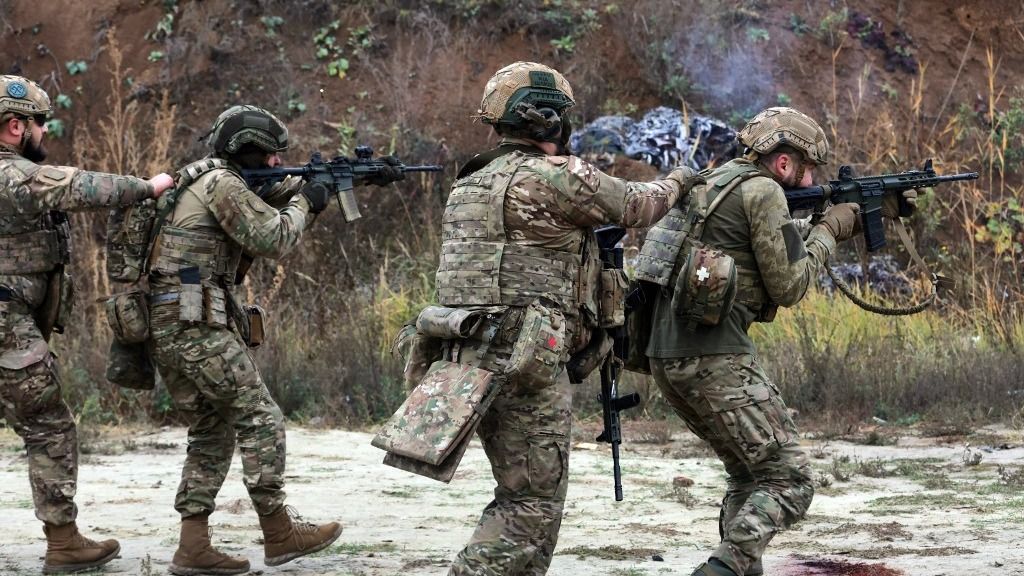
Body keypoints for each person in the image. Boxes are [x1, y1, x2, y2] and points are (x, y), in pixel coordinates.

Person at [435, 61, 691, 575]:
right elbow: (640, 205)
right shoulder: (557, 176)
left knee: (520, 493)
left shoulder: (470, 182)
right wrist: (684, 178)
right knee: (530, 505)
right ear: (551, 123)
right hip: (524, 362)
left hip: (467, 357)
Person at [634, 106, 912, 576]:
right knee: (790, 478)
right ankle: (724, 569)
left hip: (667, 356)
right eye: (806, 171)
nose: (809, 183)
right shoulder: (763, 191)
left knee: (749, 473)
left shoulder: (714, 181)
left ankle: (742, 568)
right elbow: (790, 284)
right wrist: (831, 229)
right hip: (713, 355)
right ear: (783, 163)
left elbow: (756, 250)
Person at [146, 104, 402, 575]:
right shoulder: (223, 185)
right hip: (194, 322)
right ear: (249, 153)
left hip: (174, 321)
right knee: (261, 418)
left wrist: (360, 176)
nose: (278, 165)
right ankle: (279, 531)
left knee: (211, 431)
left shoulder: (214, 178)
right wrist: (311, 201)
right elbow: (275, 236)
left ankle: (193, 546)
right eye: (271, 157)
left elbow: (292, 184)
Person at [0, 74, 174, 574]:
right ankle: (63, 543)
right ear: (15, 126)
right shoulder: (12, 176)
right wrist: (148, 187)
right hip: (6, 323)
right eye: (37, 124)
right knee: (48, 424)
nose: (42, 135)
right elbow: (79, 186)